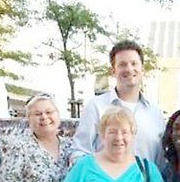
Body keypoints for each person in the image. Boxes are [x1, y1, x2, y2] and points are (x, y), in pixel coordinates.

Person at [69, 39, 166, 167]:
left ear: (142, 69)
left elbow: (161, 162)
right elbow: (79, 153)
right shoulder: (96, 107)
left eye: (134, 63)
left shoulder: (155, 113)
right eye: (122, 64)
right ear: (113, 71)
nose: (129, 69)